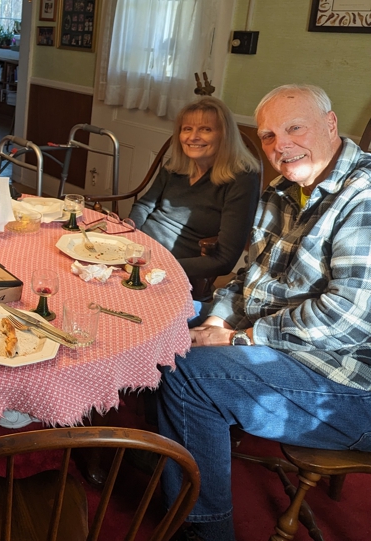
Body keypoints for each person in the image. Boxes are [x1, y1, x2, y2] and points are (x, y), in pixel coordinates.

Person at [157, 85, 371, 541]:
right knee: (156, 314)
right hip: (281, 342)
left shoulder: (364, 195)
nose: (280, 146)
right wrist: (218, 318)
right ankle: (165, 447)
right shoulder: (286, 189)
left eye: (295, 128)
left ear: (331, 125)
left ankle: (203, 530)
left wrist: (240, 337)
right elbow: (249, 277)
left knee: (188, 371)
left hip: (348, 383)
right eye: (270, 135)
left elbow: (346, 316)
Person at [128, 97, 262, 298]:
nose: (193, 137)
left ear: (224, 135)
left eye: (206, 129)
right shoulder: (177, 165)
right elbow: (145, 204)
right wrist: (129, 229)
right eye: (187, 129)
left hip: (176, 269)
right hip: (139, 253)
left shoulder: (242, 178)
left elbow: (224, 260)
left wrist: (160, 265)